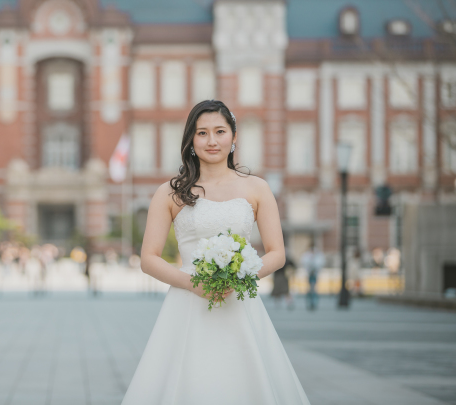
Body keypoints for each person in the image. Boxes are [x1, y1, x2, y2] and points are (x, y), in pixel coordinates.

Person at [122, 100, 310, 404]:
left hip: (239, 301)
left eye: (220, 131)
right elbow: (148, 258)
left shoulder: (257, 188)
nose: (212, 140)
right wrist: (193, 284)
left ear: (233, 137)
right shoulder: (170, 192)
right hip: (187, 302)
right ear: (191, 140)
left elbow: (277, 253)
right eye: (202, 133)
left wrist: (240, 277)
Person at [301, 243, 324, 311]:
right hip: (309, 273)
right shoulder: (307, 255)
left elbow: (320, 263)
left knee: (313, 288)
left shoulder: (317, 255)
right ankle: (310, 302)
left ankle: (313, 303)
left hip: (315, 273)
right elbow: (304, 262)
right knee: (310, 288)